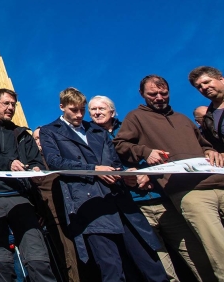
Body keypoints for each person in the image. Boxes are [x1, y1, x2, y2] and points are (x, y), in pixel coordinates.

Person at [40, 87, 168, 282]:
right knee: (111, 267)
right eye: (74, 110)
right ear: (62, 107)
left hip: (120, 201)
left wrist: (124, 175)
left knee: (148, 261)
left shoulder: (97, 130)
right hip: (91, 205)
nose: (80, 114)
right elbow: (56, 162)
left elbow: (114, 161)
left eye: (83, 109)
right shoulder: (50, 131)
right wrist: (94, 169)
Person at [114, 74, 224, 280]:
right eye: (152, 94)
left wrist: (210, 151)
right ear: (142, 94)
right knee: (219, 249)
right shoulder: (135, 117)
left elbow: (204, 144)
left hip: (218, 182)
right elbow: (120, 145)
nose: (159, 97)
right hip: (188, 192)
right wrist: (146, 153)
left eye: (163, 93)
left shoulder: (183, 118)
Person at [90, 95, 209, 282]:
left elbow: (159, 152)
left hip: (163, 200)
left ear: (112, 111)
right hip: (133, 208)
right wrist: (124, 176)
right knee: (161, 265)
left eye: (101, 109)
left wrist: (147, 172)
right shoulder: (90, 138)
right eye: (93, 110)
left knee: (194, 255)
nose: (97, 113)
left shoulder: (132, 127)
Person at [0, 88, 55, 282]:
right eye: (6, 103)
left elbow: (36, 162)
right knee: (0, 262)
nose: (10, 108)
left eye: (13, 104)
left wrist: (36, 171)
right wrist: (7, 163)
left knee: (38, 258)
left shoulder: (23, 134)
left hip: (21, 199)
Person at [32, 127, 81, 282]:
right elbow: (33, 192)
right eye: (36, 139)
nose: (39, 142)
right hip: (55, 219)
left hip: (77, 214)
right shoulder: (35, 164)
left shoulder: (63, 156)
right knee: (69, 261)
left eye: (42, 137)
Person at [189, 66, 224, 152]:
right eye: (199, 87)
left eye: (206, 82)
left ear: (221, 80)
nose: (204, 87)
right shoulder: (208, 120)